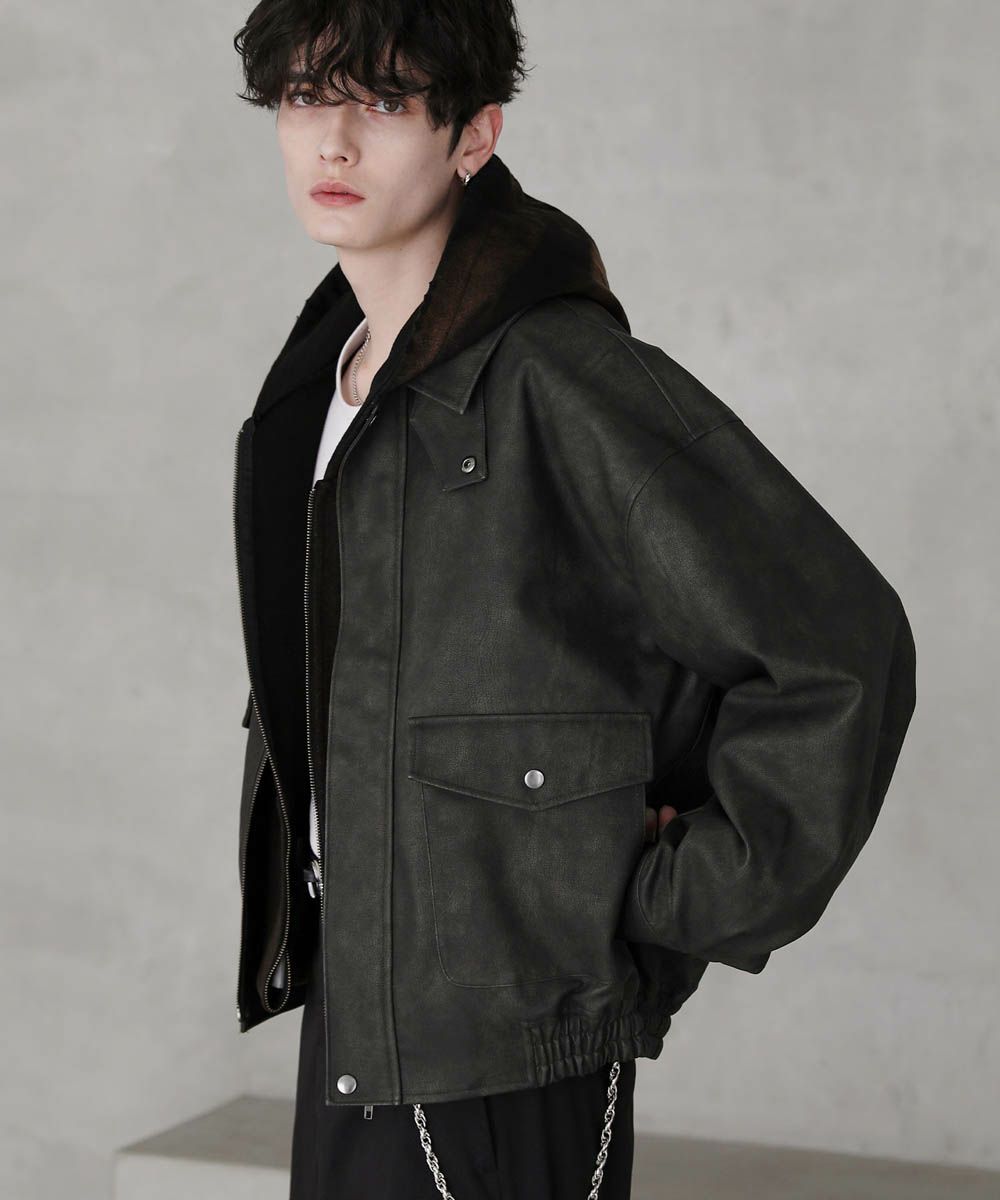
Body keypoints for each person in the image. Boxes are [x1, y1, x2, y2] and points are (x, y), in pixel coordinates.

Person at [229, 3, 917, 1198]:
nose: (332, 142)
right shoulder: (324, 383)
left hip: (512, 1037)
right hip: (362, 1002)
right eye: (303, 97)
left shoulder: (558, 377)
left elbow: (839, 647)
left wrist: (653, 900)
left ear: (473, 135)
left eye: (384, 102)